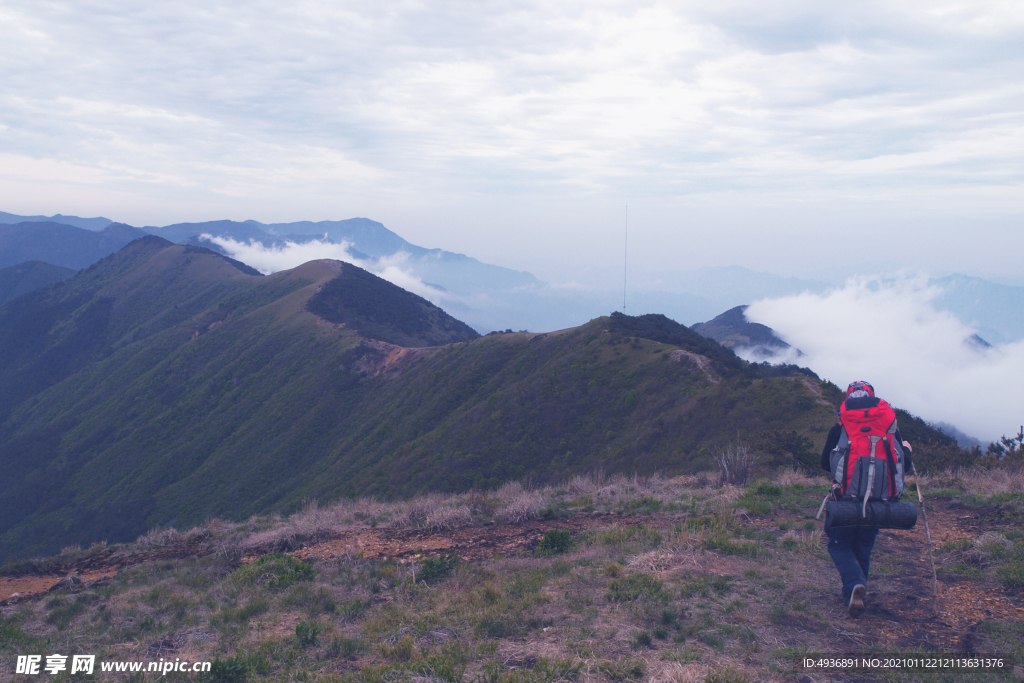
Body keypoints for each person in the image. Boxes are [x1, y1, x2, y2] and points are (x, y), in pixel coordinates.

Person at [820, 381, 913, 617]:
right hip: (879, 501)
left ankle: (853, 587)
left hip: (845, 499)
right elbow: (904, 464)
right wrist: (907, 449)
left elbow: (824, 464)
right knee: (863, 546)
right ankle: (857, 593)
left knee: (838, 544)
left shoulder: (840, 428)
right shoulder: (890, 429)